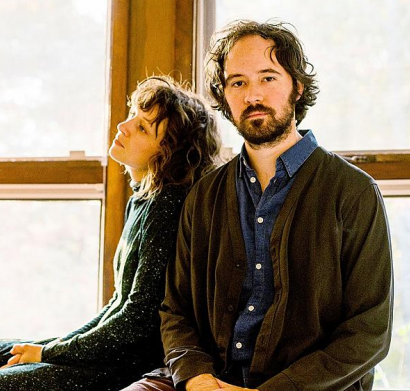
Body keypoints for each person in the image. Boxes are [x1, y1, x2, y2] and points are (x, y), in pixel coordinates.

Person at [0, 76, 222, 391]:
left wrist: (49, 351)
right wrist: (60, 343)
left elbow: (135, 323)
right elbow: (117, 305)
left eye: (143, 127)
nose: (124, 126)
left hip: (117, 368)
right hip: (95, 352)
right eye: (133, 114)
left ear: (170, 154)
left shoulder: (168, 206)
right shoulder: (143, 199)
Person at [123, 21, 393, 391]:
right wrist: (198, 378)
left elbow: (369, 332)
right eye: (238, 82)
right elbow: (176, 310)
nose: (253, 96)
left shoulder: (353, 191)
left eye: (268, 78)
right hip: (202, 381)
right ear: (223, 94)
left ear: (297, 86)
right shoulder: (203, 196)